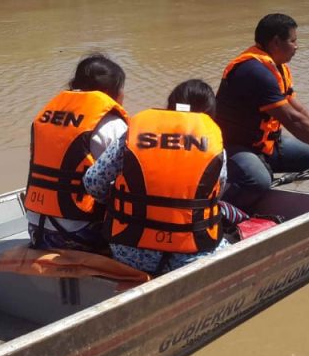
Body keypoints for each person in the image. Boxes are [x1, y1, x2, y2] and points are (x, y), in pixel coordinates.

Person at [84, 79, 247, 275]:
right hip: (194, 252)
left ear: (169, 107)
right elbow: (216, 194)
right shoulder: (214, 143)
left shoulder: (133, 133)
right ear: (210, 115)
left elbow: (92, 182)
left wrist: (118, 201)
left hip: (130, 251)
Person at [216, 13, 309, 211]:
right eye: (293, 41)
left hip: (268, 146)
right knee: (258, 182)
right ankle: (219, 213)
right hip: (235, 147)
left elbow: (299, 111)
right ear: (276, 42)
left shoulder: (277, 68)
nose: (296, 46)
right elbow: (293, 121)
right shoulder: (254, 72)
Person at [24, 54, 128, 253]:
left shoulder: (45, 116)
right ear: (111, 92)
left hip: (36, 229)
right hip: (80, 233)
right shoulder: (112, 125)